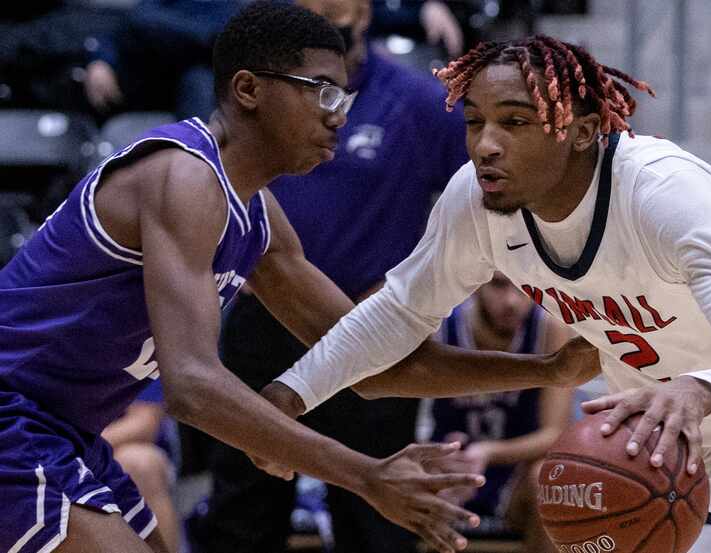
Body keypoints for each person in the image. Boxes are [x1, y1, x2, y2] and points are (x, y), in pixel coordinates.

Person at [0, 7, 601, 553]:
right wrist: (365, 474)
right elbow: (192, 385)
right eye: (324, 94)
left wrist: (547, 371)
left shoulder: (257, 218)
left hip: (65, 430)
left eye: (345, 97)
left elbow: (378, 362)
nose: (340, 116)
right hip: (15, 415)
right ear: (248, 90)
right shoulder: (182, 177)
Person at [266, 36, 711, 552]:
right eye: (474, 121)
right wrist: (292, 395)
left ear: (583, 131)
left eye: (515, 121)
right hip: (658, 446)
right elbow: (397, 313)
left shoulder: (665, 194)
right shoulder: (477, 201)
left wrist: (697, 389)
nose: (486, 144)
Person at [185, 0, 470, 550]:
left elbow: (476, 208)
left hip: (371, 320)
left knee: (378, 523)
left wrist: (415, 293)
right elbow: (189, 386)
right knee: (242, 515)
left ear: (365, 12)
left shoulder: (416, 101)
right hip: (260, 318)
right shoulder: (240, 120)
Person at [426, 272, 574, 553]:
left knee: (550, 480)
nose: (512, 301)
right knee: (414, 478)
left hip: (517, 472)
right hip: (453, 470)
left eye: (523, 286)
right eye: (498, 284)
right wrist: (436, 457)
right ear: (476, 282)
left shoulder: (548, 328)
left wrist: (487, 452)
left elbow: (555, 435)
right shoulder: (440, 326)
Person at [83, 0, 246, 121]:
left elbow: (225, 37)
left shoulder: (227, 7)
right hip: (148, 74)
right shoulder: (156, 6)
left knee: (198, 78)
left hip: (202, 74)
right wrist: (100, 62)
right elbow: (126, 28)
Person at [102, 381, 179, 553]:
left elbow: (144, 424)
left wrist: (78, 444)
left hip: (115, 447)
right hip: (48, 448)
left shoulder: (129, 354)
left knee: (142, 464)